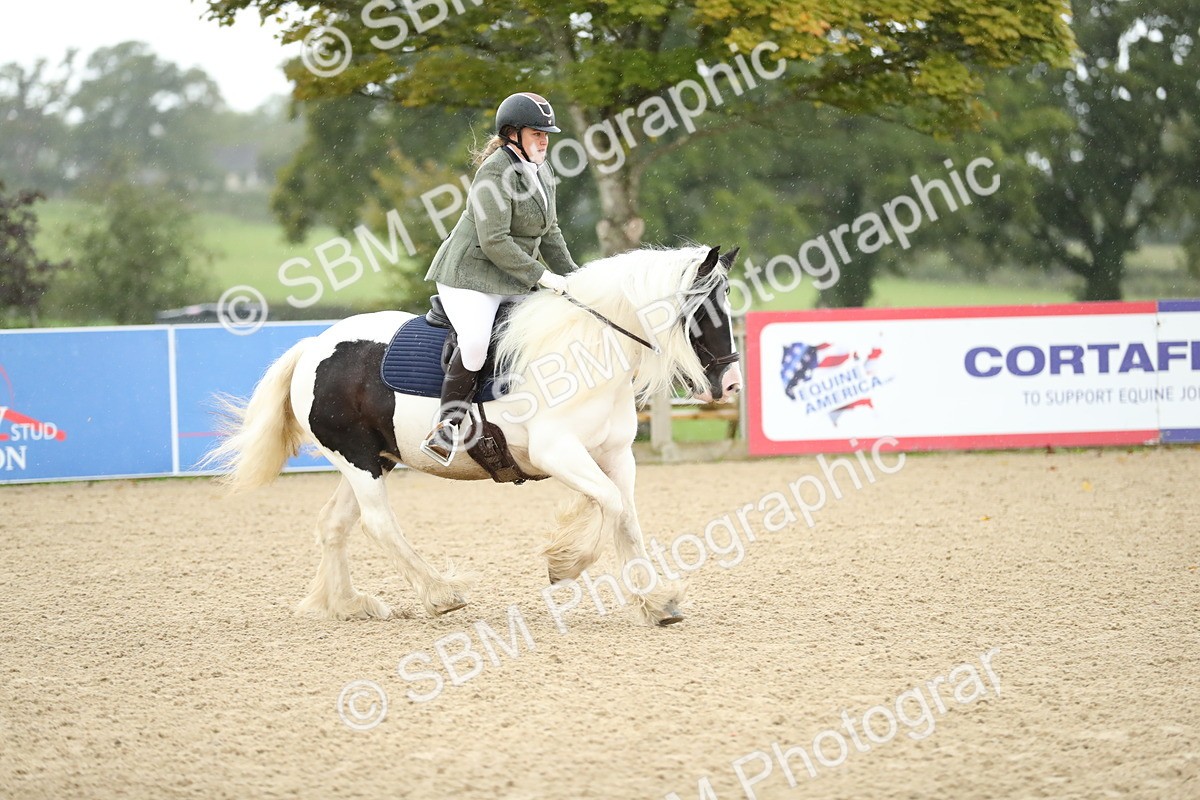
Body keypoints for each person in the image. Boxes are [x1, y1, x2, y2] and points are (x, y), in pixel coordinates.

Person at [420, 91, 580, 465]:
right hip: (468, 276)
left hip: (510, 275)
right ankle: (446, 426)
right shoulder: (493, 173)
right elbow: (494, 241)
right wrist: (543, 276)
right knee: (476, 342)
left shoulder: (542, 170)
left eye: (546, 134)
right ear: (512, 134)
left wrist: (575, 277)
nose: (544, 141)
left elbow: (551, 231)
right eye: (537, 133)